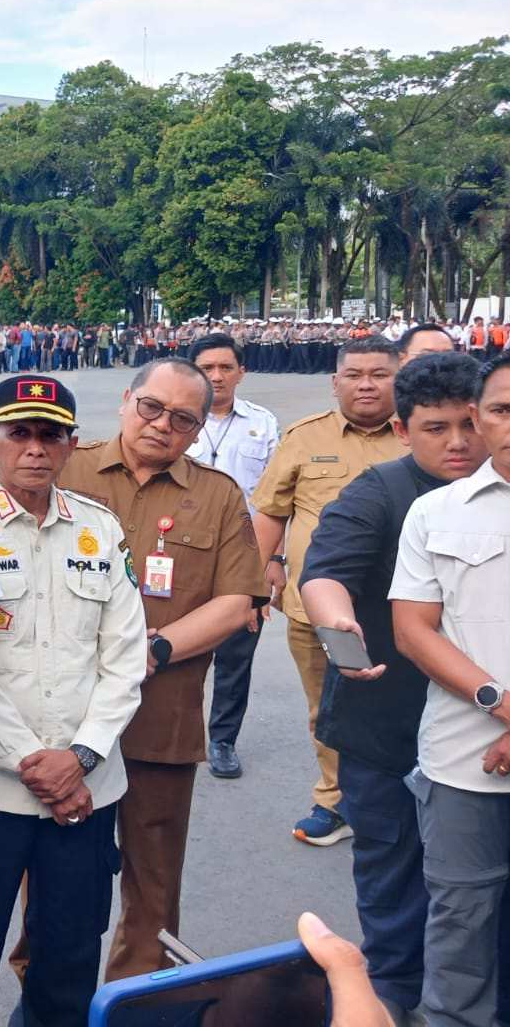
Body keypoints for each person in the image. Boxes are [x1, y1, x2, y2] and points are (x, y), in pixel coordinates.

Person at [0, 375, 146, 1027]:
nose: (34, 449)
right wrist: (38, 761)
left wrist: (81, 755)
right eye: (19, 433)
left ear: (71, 445)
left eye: (49, 435)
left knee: (67, 961)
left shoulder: (99, 530)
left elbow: (125, 658)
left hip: (86, 787)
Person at [55, 357, 268, 980]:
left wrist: (155, 649)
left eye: (182, 418)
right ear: (126, 400)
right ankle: (49, 1000)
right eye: (151, 407)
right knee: (60, 874)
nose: (161, 426)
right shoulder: (67, 469)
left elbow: (237, 601)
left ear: (199, 428)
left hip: (161, 716)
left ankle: (136, 1002)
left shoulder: (217, 495)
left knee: (153, 884)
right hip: (65, 714)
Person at [299, 352, 488, 1026]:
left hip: (480, 737)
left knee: (474, 900)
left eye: (471, 423)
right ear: (404, 431)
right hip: (386, 731)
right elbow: (322, 575)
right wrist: (339, 626)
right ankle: (392, 1008)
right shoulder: (379, 493)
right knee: (394, 893)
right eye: (437, 428)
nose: (459, 443)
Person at [390, 352, 510, 1027]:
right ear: (480, 420)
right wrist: (503, 705)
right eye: (500, 409)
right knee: (460, 936)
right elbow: (414, 631)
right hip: (466, 765)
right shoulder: (436, 513)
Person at [252, 337, 405, 846]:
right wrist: (257, 580)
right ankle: (333, 801)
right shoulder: (302, 438)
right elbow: (272, 513)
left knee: (409, 701)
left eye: (379, 374)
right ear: (334, 381)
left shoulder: (419, 436)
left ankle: (407, 797)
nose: (366, 384)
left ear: (398, 378)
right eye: (355, 374)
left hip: (404, 610)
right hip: (313, 611)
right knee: (327, 709)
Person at [184, 333, 281, 780]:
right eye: (207, 368)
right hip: (182, 553)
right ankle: (175, 735)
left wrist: (273, 562)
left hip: (246, 552)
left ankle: (222, 741)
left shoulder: (264, 424)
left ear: (242, 371)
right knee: (176, 648)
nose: (217, 376)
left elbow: (280, 502)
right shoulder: (176, 421)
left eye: (226, 367)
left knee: (236, 655)